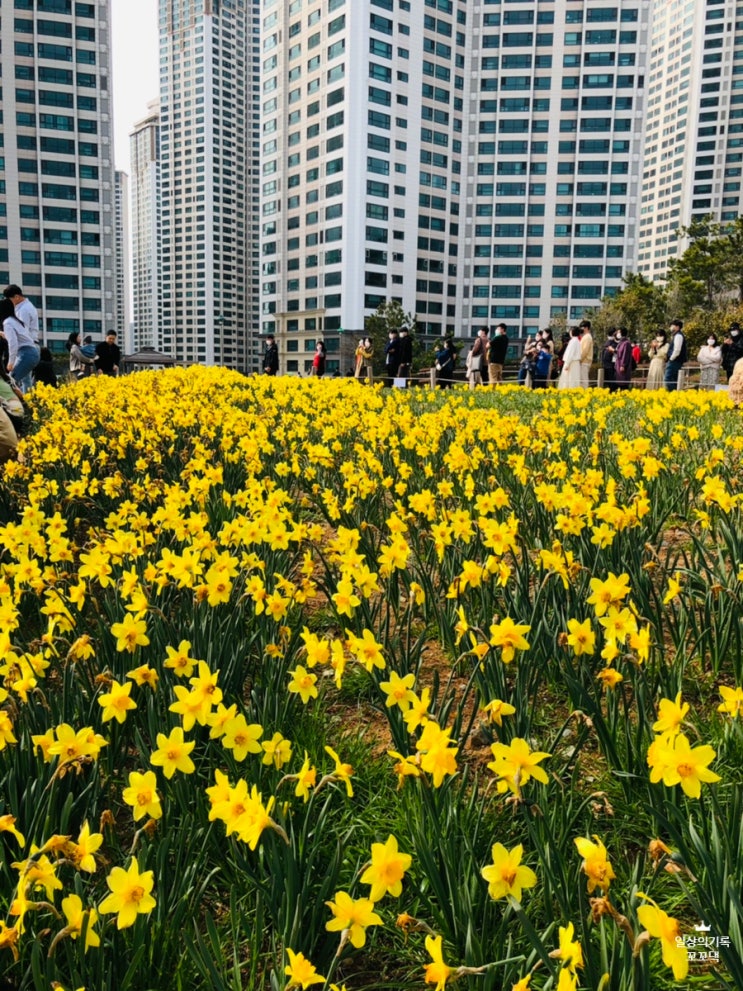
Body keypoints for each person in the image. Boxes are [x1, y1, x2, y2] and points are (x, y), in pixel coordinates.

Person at [3, 285, 39, 392]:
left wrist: (11, 361)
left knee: (18, 381)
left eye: (10, 300)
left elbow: (22, 333)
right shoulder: (25, 307)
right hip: (30, 347)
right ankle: (26, 403)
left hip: (27, 348)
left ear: (17, 297)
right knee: (24, 380)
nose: (9, 303)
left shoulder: (23, 310)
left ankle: (25, 405)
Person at [664, 319, 687, 391]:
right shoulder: (676, 335)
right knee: (673, 379)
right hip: (675, 361)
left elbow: (677, 350)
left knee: (668, 378)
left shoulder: (678, 336)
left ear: (677, 327)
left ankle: (673, 393)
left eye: (672, 326)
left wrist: (671, 359)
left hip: (675, 361)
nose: (671, 327)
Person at [578, 321, 593, 388]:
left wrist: (580, 360)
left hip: (585, 361)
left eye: (582, 327)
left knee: (584, 380)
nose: (581, 329)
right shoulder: (586, 337)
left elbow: (585, 350)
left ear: (586, 328)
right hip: (584, 361)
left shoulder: (587, 337)